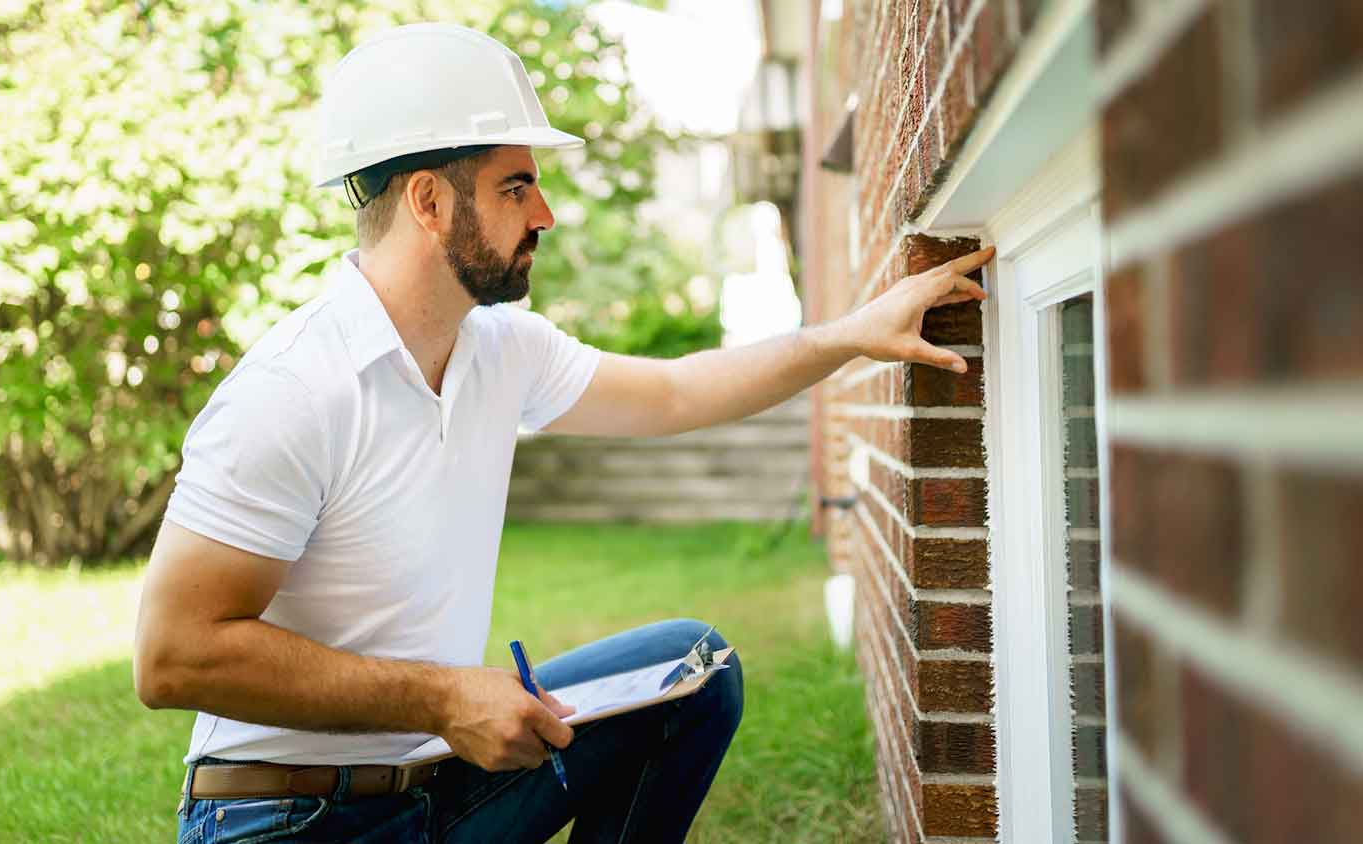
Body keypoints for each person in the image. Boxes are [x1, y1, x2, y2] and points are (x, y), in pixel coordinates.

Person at [133, 22, 991, 844]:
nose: (546, 213)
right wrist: (441, 701)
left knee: (693, 672)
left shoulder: (499, 348)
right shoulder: (294, 390)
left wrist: (853, 333)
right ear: (429, 201)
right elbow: (173, 655)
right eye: (516, 186)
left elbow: (675, 392)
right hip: (286, 821)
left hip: (439, 787)